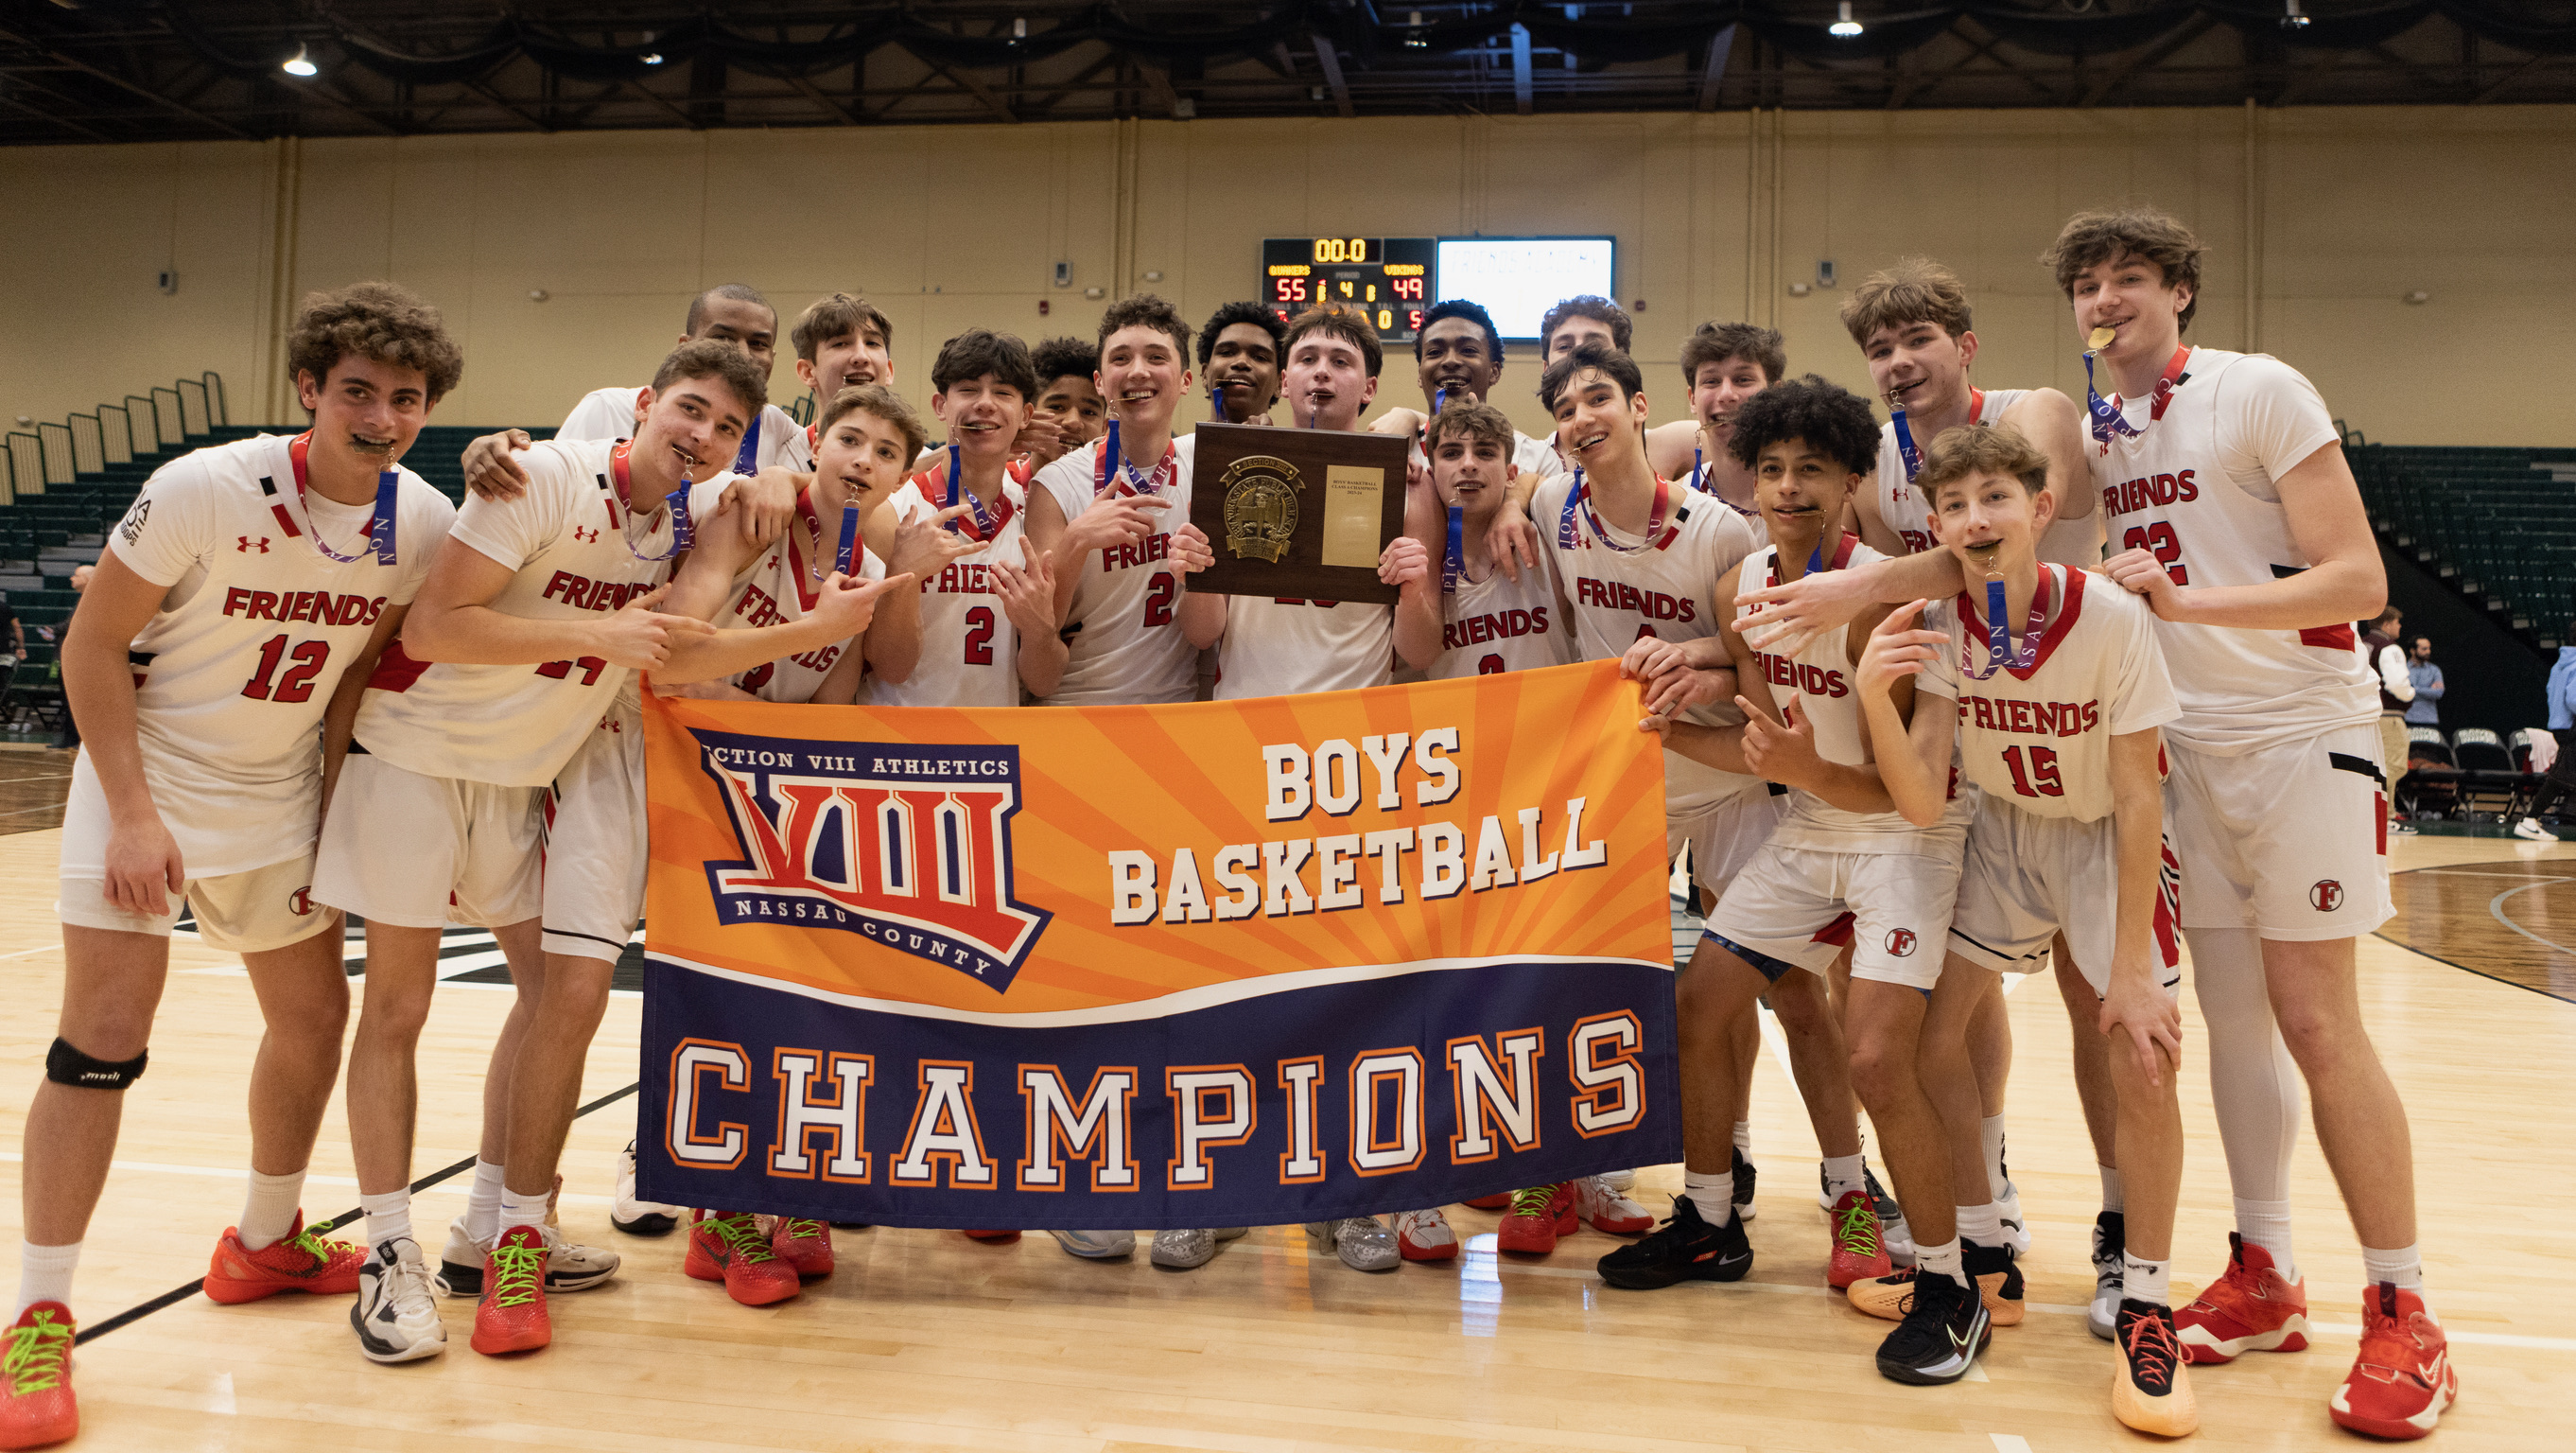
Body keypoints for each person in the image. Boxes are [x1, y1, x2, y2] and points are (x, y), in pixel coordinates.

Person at [1734, 204, 2457, 1440]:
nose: (2105, 299)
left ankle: (2393, 1304)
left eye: (2130, 278)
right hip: (2159, 751)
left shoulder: (2242, 391)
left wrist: (2180, 600)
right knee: (2215, 1028)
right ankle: (2256, 1269)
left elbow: (2362, 581)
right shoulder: (2110, 428)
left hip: (2282, 728)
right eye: (2088, 284)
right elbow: (1975, 547)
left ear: (2180, 290)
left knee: (2292, 1020)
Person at [314, 341, 870, 1359]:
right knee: (398, 1006)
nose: (701, 437)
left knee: (550, 999)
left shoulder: (681, 518)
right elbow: (436, 627)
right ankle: (390, 1251)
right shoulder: (544, 473)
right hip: (415, 757)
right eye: (688, 412)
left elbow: (776, 504)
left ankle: (495, 1225)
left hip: (522, 779)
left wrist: (784, 513)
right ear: (644, 405)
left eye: (726, 428)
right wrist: (598, 634)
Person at [0, 283, 463, 1449]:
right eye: (359, 390)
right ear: (309, 388)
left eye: (406, 399)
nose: (382, 415)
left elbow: (361, 672)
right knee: (103, 1035)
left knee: (313, 1014)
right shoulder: (204, 486)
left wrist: (330, 792)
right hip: (143, 775)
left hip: (275, 796)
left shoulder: (425, 523)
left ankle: (263, 1242)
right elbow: (93, 644)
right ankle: (39, 1316)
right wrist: (136, 814)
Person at [1603, 377, 1980, 1388]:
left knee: (1876, 1060)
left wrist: (1801, 770)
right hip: (1814, 822)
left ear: (1854, 477)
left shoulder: (1885, 596)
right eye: (1770, 469)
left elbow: (1904, 790)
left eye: (1812, 467)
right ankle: (1712, 1221)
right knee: (1700, 1003)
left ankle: (1948, 1285)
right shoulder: (1741, 591)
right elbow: (1773, 753)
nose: (1788, 486)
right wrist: (1650, 731)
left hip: (1907, 833)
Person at [1844, 422, 2195, 1432]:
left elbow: (2139, 799)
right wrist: (1876, 696)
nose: (1973, 520)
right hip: (2000, 834)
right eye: (1952, 506)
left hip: (2100, 839)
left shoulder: (2112, 616)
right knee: (1925, 1039)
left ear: (2041, 509)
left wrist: (2131, 964)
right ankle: (1980, 1262)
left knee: (2141, 1046)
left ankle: (2148, 1302)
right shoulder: (1947, 623)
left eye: (1993, 497)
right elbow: (1918, 798)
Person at [1839, 258, 2100, 1265]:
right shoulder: (1873, 457)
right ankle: (1984, 1185)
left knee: (2091, 994)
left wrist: (1842, 598)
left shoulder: (2032, 410)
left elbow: (1996, 547)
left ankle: (2120, 1226)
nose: (1901, 362)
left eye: (1919, 341)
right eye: (1881, 349)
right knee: (1966, 981)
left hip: (2072, 715)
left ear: (1965, 346)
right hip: (1959, 727)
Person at [1176, 301, 1441, 1270]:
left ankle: (1352, 1198)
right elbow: (1201, 637)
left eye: (1341, 361)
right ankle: (1216, 1191)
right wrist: (1193, 571)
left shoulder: (1406, 488)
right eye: (1307, 359)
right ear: (1284, 381)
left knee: (1349, 1001)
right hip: (1240, 754)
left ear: (1371, 387)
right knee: (1235, 994)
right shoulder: (1231, 474)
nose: (1321, 372)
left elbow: (1420, 651)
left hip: (1349, 770)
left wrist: (1416, 582)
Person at [1022, 295, 1218, 1264]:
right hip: (1075, 738)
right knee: (1082, 983)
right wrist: (1070, 548)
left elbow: (1210, 630)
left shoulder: (1216, 472)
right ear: (1100, 382)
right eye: (1120, 358)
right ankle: (1084, 1178)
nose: (1137, 371)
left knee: (1184, 986)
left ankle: (1191, 1185)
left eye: (1155, 357)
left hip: (1184, 744)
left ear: (1184, 379)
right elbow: (1036, 650)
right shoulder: (1057, 481)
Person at [460, 285, 847, 499]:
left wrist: (785, 478)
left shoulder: (777, 428)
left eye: (758, 344)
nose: (742, 354)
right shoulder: (609, 406)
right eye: (723, 337)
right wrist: (490, 449)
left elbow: (832, 472)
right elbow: (543, 487)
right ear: (684, 345)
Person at [862, 331, 1068, 706]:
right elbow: (890, 668)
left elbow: (1045, 683)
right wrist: (904, 576)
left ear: (1025, 415)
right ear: (941, 406)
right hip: (897, 743)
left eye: (1003, 393)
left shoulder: (1035, 511)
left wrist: (1040, 633)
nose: (985, 404)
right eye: (969, 390)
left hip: (990, 749)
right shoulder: (892, 512)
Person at [1656, 322, 1784, 513]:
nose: (1726, 394)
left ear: (1776, 393)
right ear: (1692, 400)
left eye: (1743, 380)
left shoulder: (1808, 496)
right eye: (1711, 381)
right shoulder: (1674, 504)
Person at [2511, 640, 2576, 841]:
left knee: (2563, 775)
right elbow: (2573, 699)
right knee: (2560, 777)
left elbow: (2551, 692)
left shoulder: (2560, 663)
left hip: (2559, 725)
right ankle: (2529, 821)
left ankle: (2531, 820)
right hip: (2571, 726)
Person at [2363, 607, 2418, 835]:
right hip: (2388, 717)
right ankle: (2384, 819)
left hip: (2365, 715)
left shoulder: (2361, 643)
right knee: (2392, 766)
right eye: (2397, 622)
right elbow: (2397, 683)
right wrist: (2411, 694)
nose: (2399, 627)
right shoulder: (2390, 648)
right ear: (2386, 624)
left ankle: (2369, 815)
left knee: (2370, 767)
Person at [1197, 301, 1286, 425]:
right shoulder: (1180, 445)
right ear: (1205, 374)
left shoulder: (1293, 445)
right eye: (1227, 352)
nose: (1241, 362)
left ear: (1280, 384)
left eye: (1259, 357)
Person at [1025, 336, 1107, 467]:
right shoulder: (1000, 481)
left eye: (1089, 412)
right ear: (1027, 415)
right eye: (1057, 407)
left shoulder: (1118, 485)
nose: (1073, 422)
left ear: (1104, 428)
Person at [2403, 638, 2443, 728]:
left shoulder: (2434, 670)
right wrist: (2429, 690)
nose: (2428, 652)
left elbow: (2438, 693)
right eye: (2424, 649)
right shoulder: (2403, 669)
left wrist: (2413, 689)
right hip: (2408, 718)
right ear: (2413, 651)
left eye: (2429, 648)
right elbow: (2401, 691)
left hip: (2429, 719)